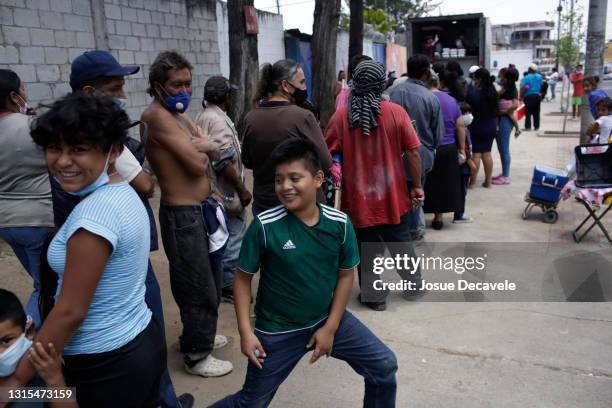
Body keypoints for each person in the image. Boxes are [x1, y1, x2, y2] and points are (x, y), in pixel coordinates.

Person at [0, 94, 163, 407]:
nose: (62, 161)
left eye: (78, 149)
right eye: (54, 148)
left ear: (113, 151)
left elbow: (71, 312)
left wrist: (18, 380)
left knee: (47, 398)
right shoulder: (123, 192)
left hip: (103, 365)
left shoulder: (93, 220)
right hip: (139, 339)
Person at [209, 138, 398, 408]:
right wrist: (245, 332)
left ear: (318, 178)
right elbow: (242, 279)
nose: (285, 187)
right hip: (277, 332)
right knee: (250, 403)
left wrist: (330, 328)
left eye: (294, 178)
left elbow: (346, 276)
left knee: (384, 365)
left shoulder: (340, 224)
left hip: (328, 319)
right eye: (279, 179)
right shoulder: (265, 226)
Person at [66, 50, 193, 407]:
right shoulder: (100, 216)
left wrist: (29, 376)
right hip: (115, 356)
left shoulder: (101, 211)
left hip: (113, 357)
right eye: (57, 149)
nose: (64, 161)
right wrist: (32, 372)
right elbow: (69, 311)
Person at [142, 51, 232, 378]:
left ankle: (200, 335)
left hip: (202, 211)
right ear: (158, 86)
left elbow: (215, 150)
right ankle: (197, 354)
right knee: (197, 286)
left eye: (187, 83)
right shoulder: (156, 117)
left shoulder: (178, 117)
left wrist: (201, 144)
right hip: (183, 216)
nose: (184, 90)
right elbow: (197, 164)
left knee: (210, 279)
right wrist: (201, 146)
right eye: (176, 84)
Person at [325, 60, 423, 311]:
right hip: (393, 196)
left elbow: (326, 153)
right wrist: (417, 186)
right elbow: (413, 153)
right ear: (382, 84)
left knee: (365, 247)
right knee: (401, 243)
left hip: (358, 200)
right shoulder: (396, 113)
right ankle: (414, 287)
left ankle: (374, 297)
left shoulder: (341, 116)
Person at [242, 59, 332, 215]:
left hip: (265, 209)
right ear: (285, 86)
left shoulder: (251, 118)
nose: (304, 88)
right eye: (302, 82)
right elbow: (325, 162)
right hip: (300, 209)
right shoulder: (303, 117)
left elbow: (247, 161)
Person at [0, 70, 53, 331]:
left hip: (7, 223)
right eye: (22, 89)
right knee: (45, 288)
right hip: (38, 218)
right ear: (13, 96)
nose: (25, 94)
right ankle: (22, 346)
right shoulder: (33, 127)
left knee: (42, 280)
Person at [195, 76, 252, 303]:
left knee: (222, 235)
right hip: (226, 190)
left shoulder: (204, 115)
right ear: (226, 97)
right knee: (234, 237)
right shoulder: (217, 120)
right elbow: (223, 161)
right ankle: (229, 286)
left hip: (214, 189)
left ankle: (224, 282)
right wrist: (242, 189)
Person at [390, 54, 444, 242]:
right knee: (416, 192)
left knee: (398, 194)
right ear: (425, 73)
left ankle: (399, 233)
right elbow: (437, 135)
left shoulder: (391, 93)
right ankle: (414, 233)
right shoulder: (430, 98)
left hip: (392, 156)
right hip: (421, 155)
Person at [425, 70, 466, 230]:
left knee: (429, 182)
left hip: (428, 147)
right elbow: (460, 125)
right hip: (448, 147)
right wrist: (461, 149)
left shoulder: (424, 99)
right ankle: (438, 217)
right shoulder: (451, 100)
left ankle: (422, 215)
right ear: (439, 83)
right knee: (444, 183)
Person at [466, 68, 499, 188]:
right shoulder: (494, 93)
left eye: (475, 78)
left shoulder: (473, 94)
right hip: (491, 125)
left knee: (476, 154)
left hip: (477, 125)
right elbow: (497, 112)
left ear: (479, 79)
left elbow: (466, 107)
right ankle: (488, 182)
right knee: (487, 154)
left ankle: (473, 183)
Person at [494, 66, 520, 185]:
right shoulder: (510, 87)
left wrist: (505, 112)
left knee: (504, 149)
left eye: (503, 75)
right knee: (502, 148)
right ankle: (504, 173)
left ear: (508, 77)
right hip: (504, 119)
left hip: (504, 120)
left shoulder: (509, 88)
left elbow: (515, 104)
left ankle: (505, 176)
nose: (501, 77)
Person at [454, 102, 475, 223]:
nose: (468, 115)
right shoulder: (461, 130)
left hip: (464, 164)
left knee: (463, 190)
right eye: (465, 113)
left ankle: (459, 212)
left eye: (469, 112)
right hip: (463, 165)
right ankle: (459, 214)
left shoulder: (465, 129)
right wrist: (470, 161)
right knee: (462, 190)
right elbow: (464, 148)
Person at [520, 63, 544, 131]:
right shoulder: (539, 76)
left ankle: (528, 127)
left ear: (529, 69)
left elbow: (524, 87)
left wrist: (521, 96)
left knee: (528, 112)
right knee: (536, 112)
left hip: (529, 96)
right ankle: (536, 127)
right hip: (537, 96)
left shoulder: (526, 77)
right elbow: (541, 85)